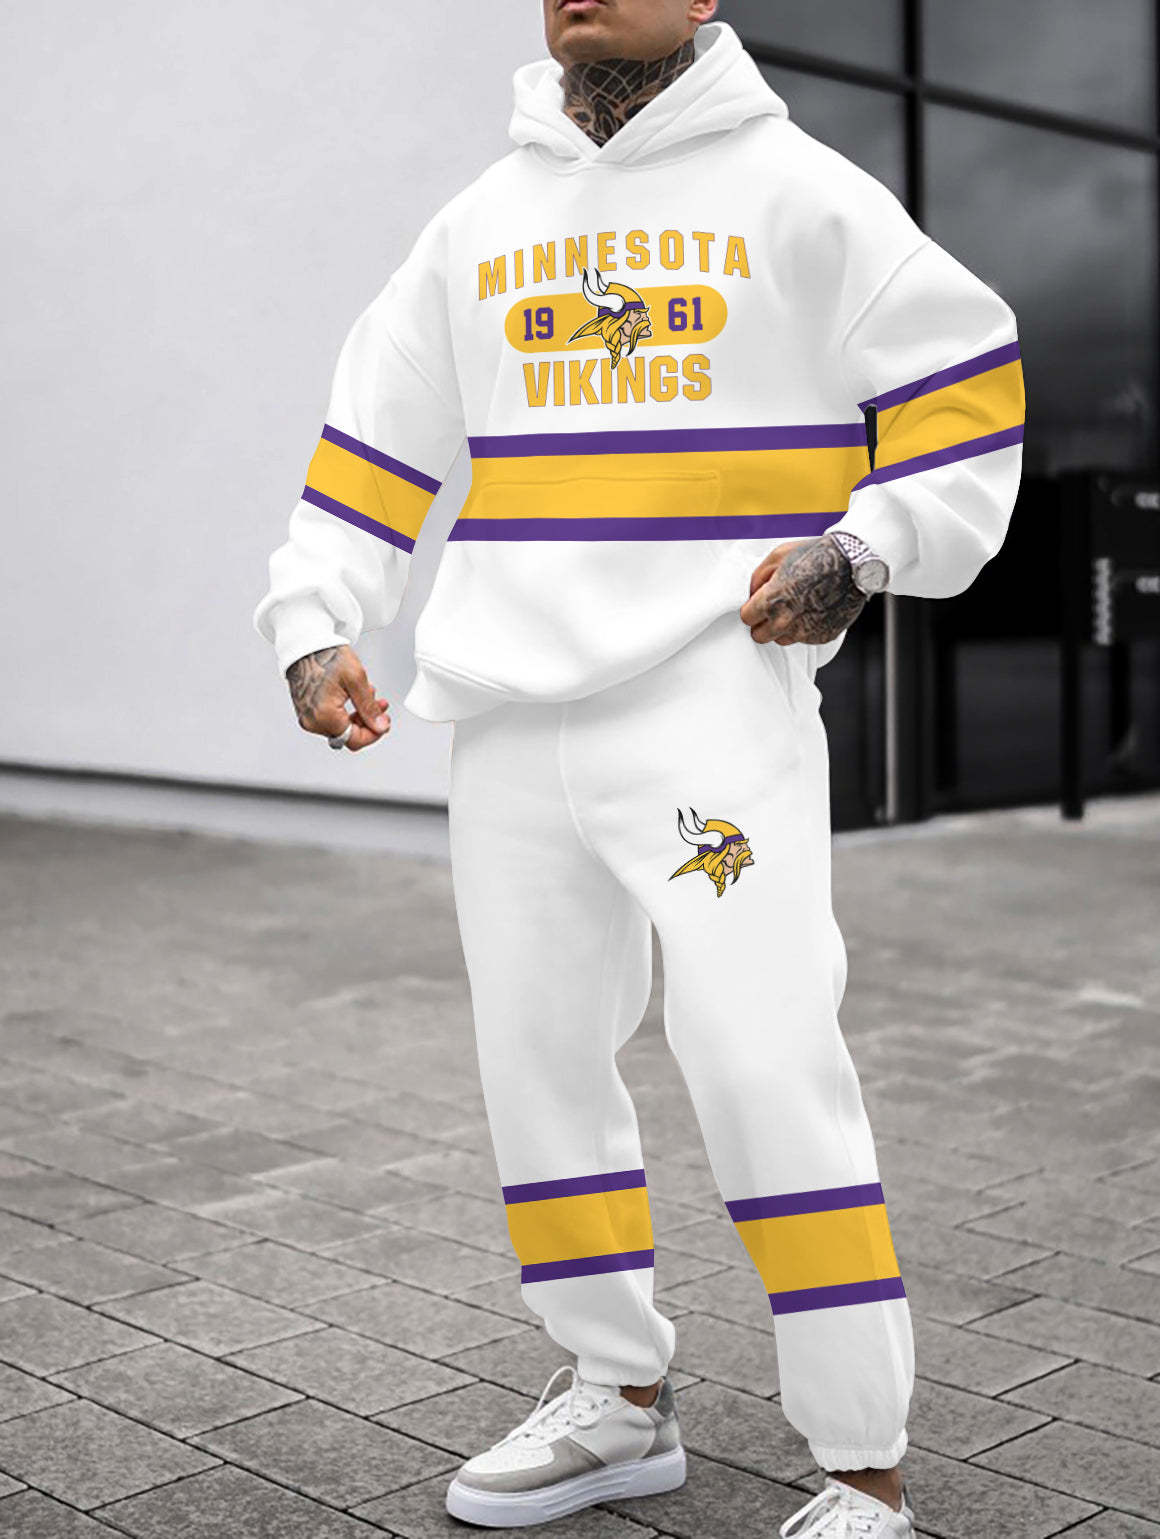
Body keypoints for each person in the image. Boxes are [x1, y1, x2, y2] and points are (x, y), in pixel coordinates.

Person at [254, 1, 1024, 1533]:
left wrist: (867, 548)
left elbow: (966, 379)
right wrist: (316, 618)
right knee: (537, 1061)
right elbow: (377, 436)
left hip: (706, 700)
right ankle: (616, 1394)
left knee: (759, 1057)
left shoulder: (799, 194)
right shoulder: (482, 221)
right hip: (507, 715)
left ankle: (862, 1468)